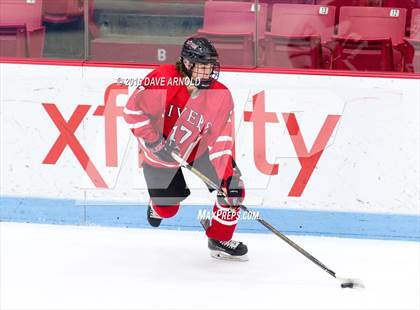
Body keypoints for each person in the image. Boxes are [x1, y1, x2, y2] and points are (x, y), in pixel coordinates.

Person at [123, 37, 248, 261]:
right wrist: (153, 141)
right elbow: (132, 112)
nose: (208, 72)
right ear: (187, 64)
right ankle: (156, 206)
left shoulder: (221, 95)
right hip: (160, 153)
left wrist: (226, 178)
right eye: (203, 66)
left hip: (197, 149)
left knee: (233, 187)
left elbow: (221, 140)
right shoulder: (163, 79)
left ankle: (219, 238)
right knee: (168, 211)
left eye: (211, 66)